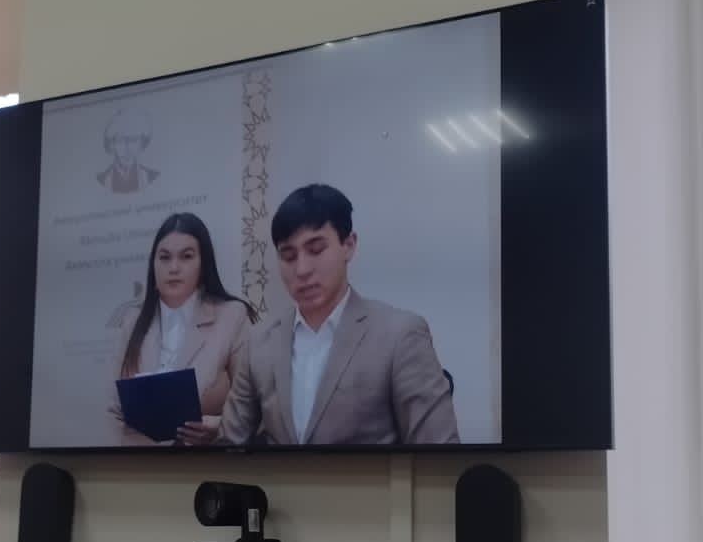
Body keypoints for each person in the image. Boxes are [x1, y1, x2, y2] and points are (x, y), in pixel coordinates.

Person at [179, 184, 459, 447]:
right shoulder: (259, 341)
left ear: (349, 245)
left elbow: (438, 456)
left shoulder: (400, 335)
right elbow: (230, 446)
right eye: (288, 256)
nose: (302, 269)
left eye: (316, 250)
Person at [109, 212, 257, 444]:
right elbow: (114, 411)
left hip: (205, 459)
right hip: (140, 461)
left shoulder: (232, 316)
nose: (174, 268)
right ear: (153, 264)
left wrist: (218, 427)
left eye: (186, 257)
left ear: (203, 263)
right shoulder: (132, 320)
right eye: (164, 258)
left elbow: (253, 409)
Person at [96, 105, 160, 194]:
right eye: (120, 140)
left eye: (133, 140)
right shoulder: (102, 179)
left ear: (141, 143)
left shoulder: (152, 177)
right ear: (112, 144)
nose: (127, 147)